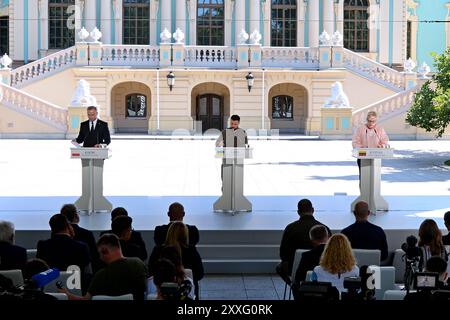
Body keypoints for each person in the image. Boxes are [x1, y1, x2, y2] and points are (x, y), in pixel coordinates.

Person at [59, 234, 148, 300]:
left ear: (105, 251)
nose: (100, 257)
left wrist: (67, 295)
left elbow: (86, 300)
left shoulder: (100, 276)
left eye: (100, 253)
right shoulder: (138, 263)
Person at [149, 222, 203, 299]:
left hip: (157, 291)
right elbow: (199, 274)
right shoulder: (191, 250)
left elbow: (151, 271)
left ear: (169, 233)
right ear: (185, 235)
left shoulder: (158, 250)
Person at [279, 199, 331, 274]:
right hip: (322, 269)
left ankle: (293, 284)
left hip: (295, 269)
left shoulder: (290, 228)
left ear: (298, 212)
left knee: (279, 267)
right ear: (312, 210)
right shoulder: (324, 228)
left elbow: (283, 254)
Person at [352, 111, 389, 182]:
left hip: (375, 157)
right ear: (367, 120)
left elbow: (385, 140)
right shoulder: (360, 129)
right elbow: (355, 142)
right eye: (369, 121)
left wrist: (382, 146)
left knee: (374, 179)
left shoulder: (380, 129)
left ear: (376, 120)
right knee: (364, 179)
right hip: (363, 156)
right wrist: (361, 147)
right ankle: (363, 192)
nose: (371, 123)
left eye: (373, 121)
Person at [60, 204, 99, 271]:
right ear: (76, 216)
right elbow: (94, 257)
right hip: (83, 275)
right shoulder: (87, 234)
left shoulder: (58, 235)